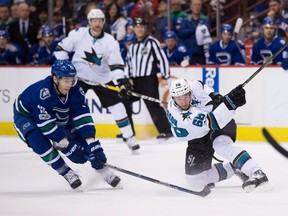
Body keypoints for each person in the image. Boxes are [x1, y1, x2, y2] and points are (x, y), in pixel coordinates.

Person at [13, 59, 121, 190]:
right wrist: (66, 144)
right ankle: (66, 172)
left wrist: (92, 144)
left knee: (83, 146)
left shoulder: (75, 91)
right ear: (55, 78)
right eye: (66, 80)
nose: (69, 84)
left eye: (72, 80)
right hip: (27, 116)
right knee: (38, 141)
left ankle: (103, 170)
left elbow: (83, 117)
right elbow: (46, 126)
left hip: (58, 115)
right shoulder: (42, 94)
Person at [54, 9, 140, 151]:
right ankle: (61, 138)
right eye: (94, 20)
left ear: (103, 22)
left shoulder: (109, 41)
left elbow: (116, 64)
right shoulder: (78, 35)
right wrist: (66, 68)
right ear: (89, 22)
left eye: (100, 20)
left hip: (103, 80)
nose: (97, 23)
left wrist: (121, 81)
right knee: (67, 107)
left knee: (118, 107)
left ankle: (130, 137)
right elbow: (60, 49)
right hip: (79, 79)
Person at [166, 78, 269, 192]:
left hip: (221, 123)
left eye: (186, 97)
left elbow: (200, 85)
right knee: (194, 180)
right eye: (179, 99)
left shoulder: (193, 86)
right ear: (173, 98)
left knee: (221, 145)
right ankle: (234, 168)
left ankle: (257, 172)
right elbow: (213, 122)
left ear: (190, 92)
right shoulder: (180, 116)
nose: (183, 102)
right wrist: (231, 103)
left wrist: (213, 95)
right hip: (203, 131)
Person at [126, 17, 173, 141]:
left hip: (148, 80)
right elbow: (129, 63)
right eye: (137, 27)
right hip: (134, 81)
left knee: (153, 105)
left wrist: (164, 76)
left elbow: (162, 59)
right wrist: (128, 78)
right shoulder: (132, 46)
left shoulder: (152, 42)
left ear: (145, 28)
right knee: (124, 102)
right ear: (134, 29)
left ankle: (166, 131)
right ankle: (128, 132)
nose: (139, 29)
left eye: (141, 27)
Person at [177, 0, 212, 65]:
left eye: (199, 5)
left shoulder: (205, 20)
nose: (197, 7)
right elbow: (181, 33)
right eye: (195, 5)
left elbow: (206, 32)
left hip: (201, 53)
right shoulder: (185, 20)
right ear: (191, 6)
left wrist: (190, 31)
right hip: (188, 53)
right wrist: (196, 30)